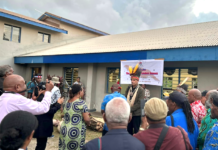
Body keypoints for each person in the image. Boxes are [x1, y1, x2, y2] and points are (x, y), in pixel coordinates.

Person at [33, 76, 64, 150]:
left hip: (40, 125)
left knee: (40, 144)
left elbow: (48, 108)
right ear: (44, 89)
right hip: (42, 127)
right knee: (41, 146)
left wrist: (56, 104)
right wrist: (58, 104)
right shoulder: (41, 98)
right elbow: (49, 111)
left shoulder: (40, 98)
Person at [59, 84, 90, 150]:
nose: (83, 92)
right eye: (82, 91)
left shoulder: (66, 102)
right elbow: (86, 119)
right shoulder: (82, 103)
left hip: (64, 129)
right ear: (79, 92)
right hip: (75, 131)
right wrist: (89, 123)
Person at [125, 64, 145, 135]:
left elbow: (139, 103)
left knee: (136, 130)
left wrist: (130, 109)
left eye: (134, 80)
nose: (132, 81)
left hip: (136, 114)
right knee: (128, 130)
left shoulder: (141, 90)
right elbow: (125, 98)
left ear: (137, 80)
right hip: (128, 113)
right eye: (131, 80)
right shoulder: (128, 88)